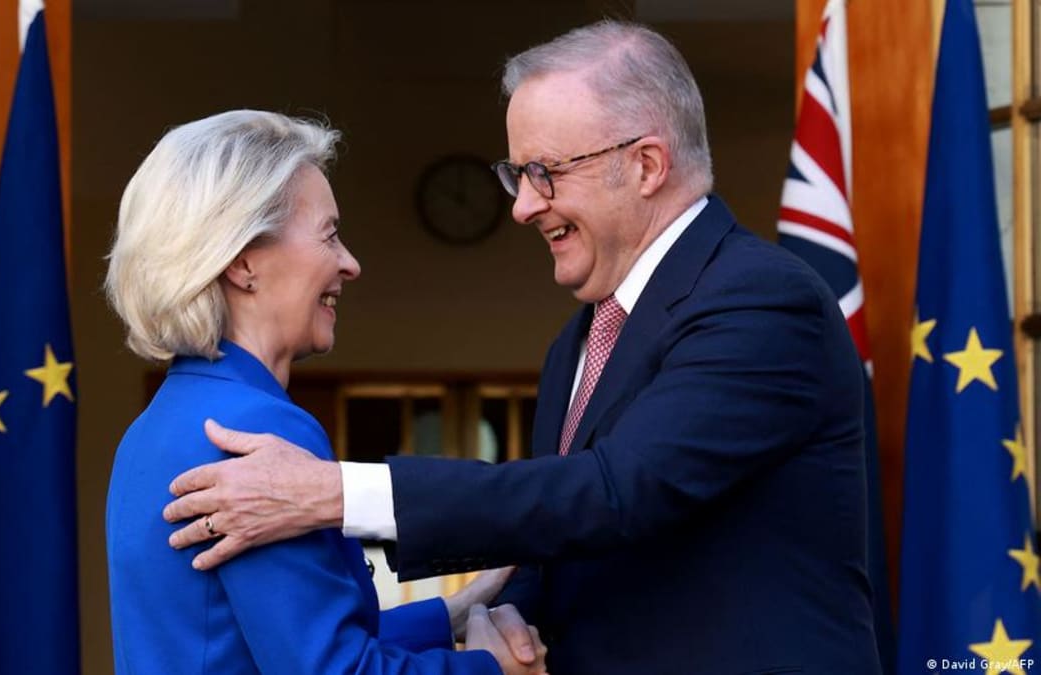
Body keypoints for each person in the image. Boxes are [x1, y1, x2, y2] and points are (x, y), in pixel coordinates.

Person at [162, 22, 882, 674]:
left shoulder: (761, 301)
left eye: (544, 172)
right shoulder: (580, 340)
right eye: (517, 175)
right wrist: (489, 616)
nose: (523, 205)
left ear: (646, 165)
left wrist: (336, 492)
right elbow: (566, 544)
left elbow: (615, 491)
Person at [103, 109, 548, 675]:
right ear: (243, 263)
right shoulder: (258, 429)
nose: (350, 264)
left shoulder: (155, 427)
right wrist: (492, 669)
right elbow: (331, 668)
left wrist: (456, 612)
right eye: (330, 235)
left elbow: (277, 638)